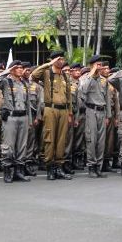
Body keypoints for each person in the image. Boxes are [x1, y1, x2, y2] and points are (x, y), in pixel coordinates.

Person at [31, 51, 74, 180]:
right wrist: (49, 64)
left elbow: (69, 96)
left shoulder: (65, 76)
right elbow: (34, 75)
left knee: (62, 139)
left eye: (62, 59)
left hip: (64, 110)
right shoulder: (47, 73)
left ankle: (59, 167)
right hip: (51, 109)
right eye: (59, 59)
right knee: (50, 138)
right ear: (54, 60)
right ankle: (50, 167)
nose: (61, 61)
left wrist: (70, 112)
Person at [0, 60, 33, 183]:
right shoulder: (6, 82)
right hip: (11, 117)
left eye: (21, 68)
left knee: (22, 145)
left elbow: (28, 103)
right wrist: (8, 71)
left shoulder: (25, 83)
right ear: (12, 69)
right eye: (17, 68)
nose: (21, 70)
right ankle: (8, 171)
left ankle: (19, 171)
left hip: (23, 117)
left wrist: (29, 120)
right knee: (8, 145)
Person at [79, 55, 112, 178]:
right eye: (97, 64)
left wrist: (108, 115)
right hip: (91, 111)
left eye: (100, 64)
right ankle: (91, 166)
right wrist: (91, 74)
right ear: (92, 65)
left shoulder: (104, 80)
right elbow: (82, 91)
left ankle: (98, 166)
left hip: (102, 112)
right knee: (91, 140)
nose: (100, 67)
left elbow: (107, 99)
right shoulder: (85, 78)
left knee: (101, 141)